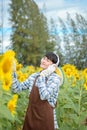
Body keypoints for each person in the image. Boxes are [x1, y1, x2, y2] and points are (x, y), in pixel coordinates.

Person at [12, 52, 62, 130]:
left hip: (46, 118)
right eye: (44, 58)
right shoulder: (34, 76)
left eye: (48, 60)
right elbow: (17, 89)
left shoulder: (55, 79)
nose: (43, 61)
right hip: (31, 115)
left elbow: (44, 96)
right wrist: (13, 73)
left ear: (53, 66)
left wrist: (42, 76)